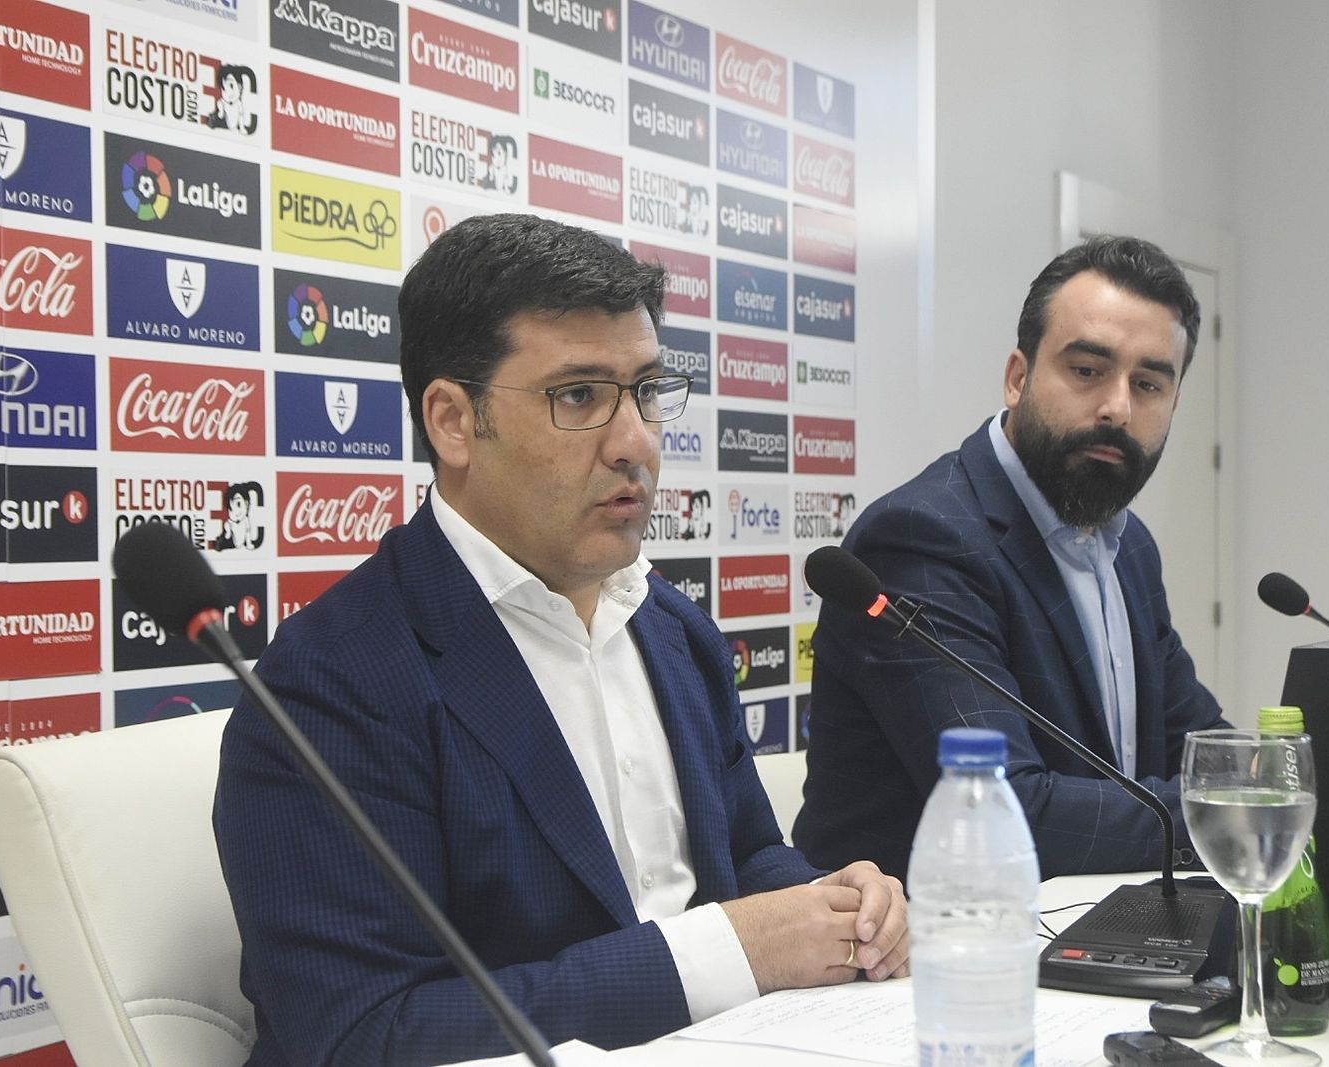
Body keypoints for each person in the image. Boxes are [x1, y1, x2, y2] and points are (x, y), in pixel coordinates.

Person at [214, 213, 907, 1067]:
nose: (636, 443)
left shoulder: (670, 629)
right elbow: (364, 1035)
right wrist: (733, 949)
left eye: (647, 392)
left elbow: (747, 853)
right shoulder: (328, 686)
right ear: (453, 421)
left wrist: (835, 906)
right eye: (579, 396)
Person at [793, 235, 1229, 882]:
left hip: (1081, 932)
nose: (1117, 406)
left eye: (1148, 384)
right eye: (1087, 370)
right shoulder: (921, 538)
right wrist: (1232, 817)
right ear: (1018, 377)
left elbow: (1195, 745)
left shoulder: (1128, 546)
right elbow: (1010, 812)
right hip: (912, 957)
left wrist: (1282, 781)